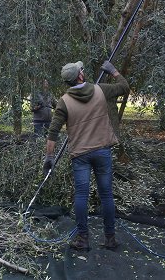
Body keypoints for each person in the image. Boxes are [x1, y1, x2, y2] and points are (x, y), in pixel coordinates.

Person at [42, 60, 130, 252]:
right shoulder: (101, 90)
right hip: (102, 151)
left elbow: (53, 132)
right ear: (80, 76)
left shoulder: (64, 102)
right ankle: (110, 239)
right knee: (106, 195)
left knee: (81, 195)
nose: (83, 70)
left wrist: (49, 157)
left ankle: (83, 239)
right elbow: (124, 87)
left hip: (80, 155)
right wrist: (113, 70)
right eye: (81, 69)